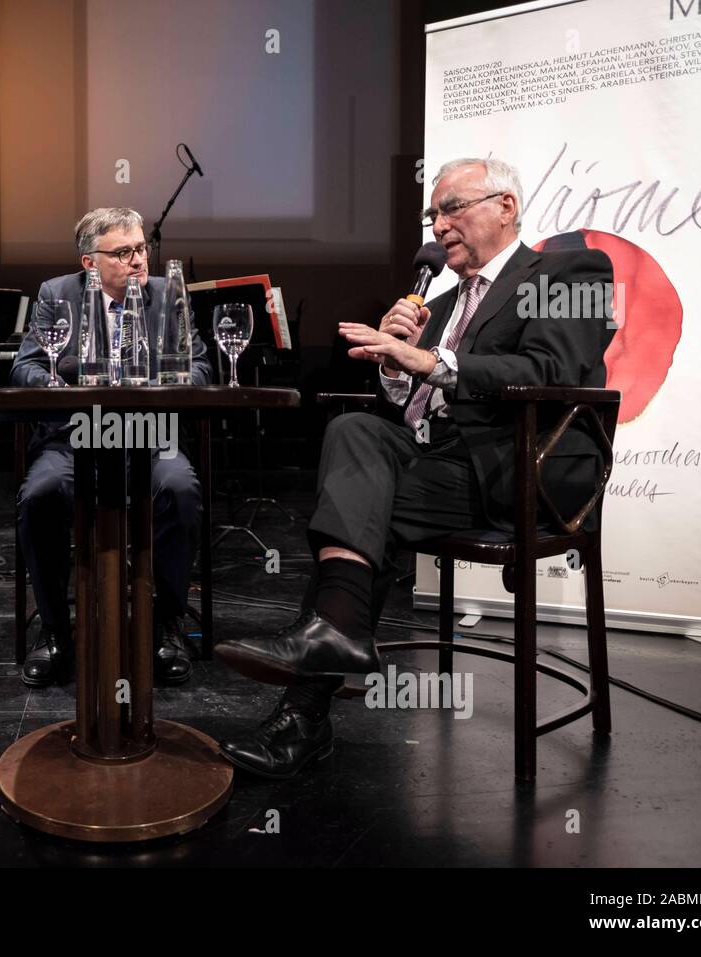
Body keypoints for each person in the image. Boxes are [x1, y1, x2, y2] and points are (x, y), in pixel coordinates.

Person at [215, 157, 615, 778]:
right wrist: (397, 366)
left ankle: (311, 695)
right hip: (444, 462)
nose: (438, 226)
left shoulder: (568, 271)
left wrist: (432, 361)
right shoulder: (446, 300)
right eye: (433, 215)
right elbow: (409, 410)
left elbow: (550, 373)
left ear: (505, 207)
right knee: (354, 430)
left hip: (523, 470)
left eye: (452, 208)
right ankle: (336, 636)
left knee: (359, 511)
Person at [10, 207, 213, 687]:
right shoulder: (57, 294)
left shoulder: (167, 295)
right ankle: (57, 631)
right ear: (90, 263)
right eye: (123, 252)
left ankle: (166, 626)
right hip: (77, 435)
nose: (139, 260)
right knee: (40, 493)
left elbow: (202, 367)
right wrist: (71, 385)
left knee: (179, 488)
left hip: (148, 435)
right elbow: (26, 368)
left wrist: (164, 376)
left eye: (142, 248)